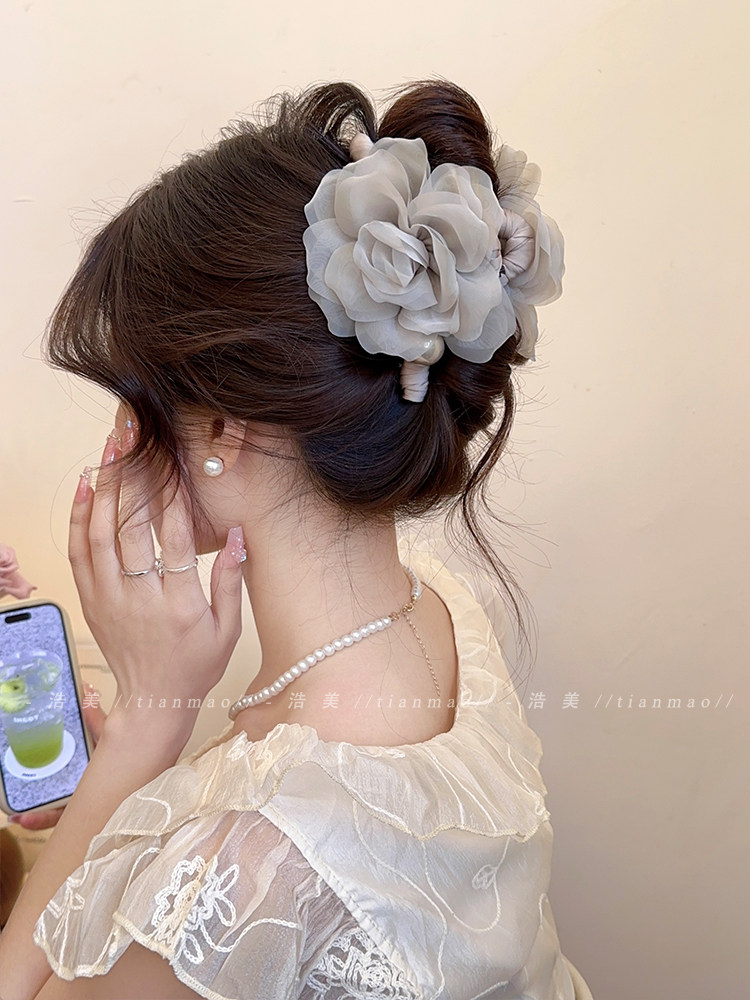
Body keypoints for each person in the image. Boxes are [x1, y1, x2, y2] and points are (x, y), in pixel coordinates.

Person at [0, 80, 593, 999]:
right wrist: (129, 795)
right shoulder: (439, 604)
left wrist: (147, 726)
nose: (118, 433)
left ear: (223, 428)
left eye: (134, 396)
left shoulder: (255, 864)